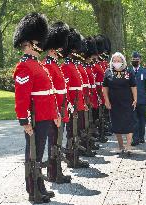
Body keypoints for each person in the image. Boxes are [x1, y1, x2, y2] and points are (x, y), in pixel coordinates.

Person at [13, 12, 59, 203]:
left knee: (38, 153)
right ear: (31, 43)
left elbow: (49, 93)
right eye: (38, 41)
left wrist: (55, 113)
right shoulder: (24, 66)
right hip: (35, 118)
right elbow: (22, 98)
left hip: (45, 116)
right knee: (33, 154)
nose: (41, 44)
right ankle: (33, 190)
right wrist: (24, 120)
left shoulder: (38, 65)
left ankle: (40, 185)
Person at [42, 21, 71, 183]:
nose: (61, 50)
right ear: (54, 48)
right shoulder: (47, 65)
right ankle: (53, 173)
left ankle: (56, 171)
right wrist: (56, 113)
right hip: (55, 111)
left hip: (61, 109)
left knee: (57, 143)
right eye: (59, 48)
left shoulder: (55, 65)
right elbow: (50, 93)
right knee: (54, 143)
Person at [60, 28, 89, 168]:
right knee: (72, 132)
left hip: (79, 103)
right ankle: (71, 158)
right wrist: (71, 106)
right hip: (72, 105)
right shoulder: (66, 66)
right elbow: (66, 88)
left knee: (77, 131)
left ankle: (75, 156)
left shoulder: (73, 65)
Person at [103, 52, 137, 154]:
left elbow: (133, 86)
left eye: (119, 61)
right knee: (116, 124)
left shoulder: (129, 72)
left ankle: (128, 146)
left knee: (128, 123)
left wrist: (135, 99)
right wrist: (106, 101)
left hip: (127, 102)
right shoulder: (108, 72)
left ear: (123, 61)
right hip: (114, 103)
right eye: (114, 61)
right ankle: (120, 145)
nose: (116, 62)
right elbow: (105, 88)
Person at [130, 51, 146, 146]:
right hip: (132, 100)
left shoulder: (145, 71)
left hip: (142, 99)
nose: (135, 61)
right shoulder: (128, 72)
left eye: (137, 60)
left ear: (140, 60)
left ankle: (141, 136)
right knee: (134, 119)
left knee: (142, 119)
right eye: (133, 60)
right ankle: (135, 138)